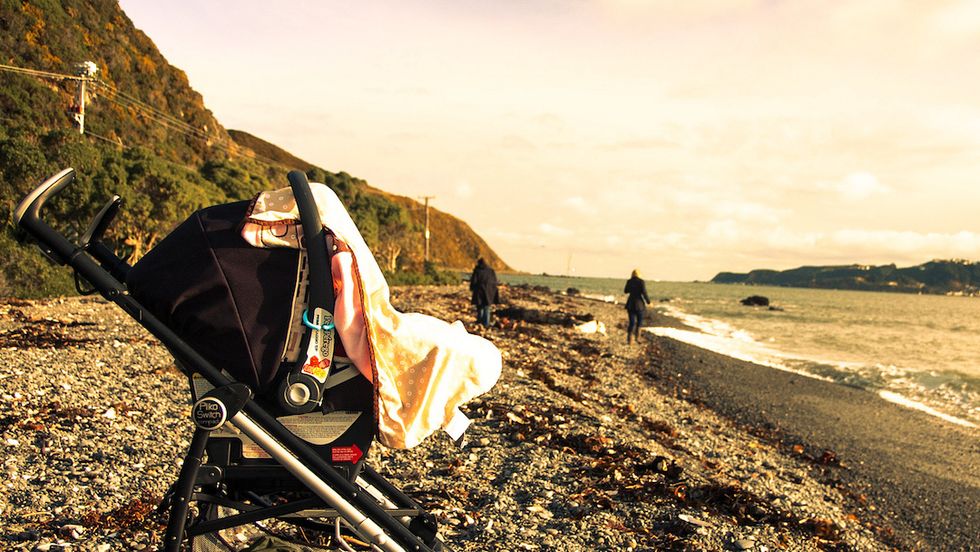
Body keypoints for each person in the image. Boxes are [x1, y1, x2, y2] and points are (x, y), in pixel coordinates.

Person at [470, 258, 499, 327]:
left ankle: (480, 322)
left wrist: (472, 288)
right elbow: (494, 282)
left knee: (480, 307)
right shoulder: (491, 271)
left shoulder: (477, 270)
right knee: (487, 307)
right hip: (489, 292)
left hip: (479, 292)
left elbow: (474, 281)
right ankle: (486, 323)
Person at [624, 268, 650, 344]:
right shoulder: (641, 282)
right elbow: (644, 293)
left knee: (631, 322)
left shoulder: (629, 281)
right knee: (639, 322)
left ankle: (629, 340)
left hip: (630, 303)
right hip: (639, 304)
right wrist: (648, 302)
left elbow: (625, 291)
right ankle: (637, 338)